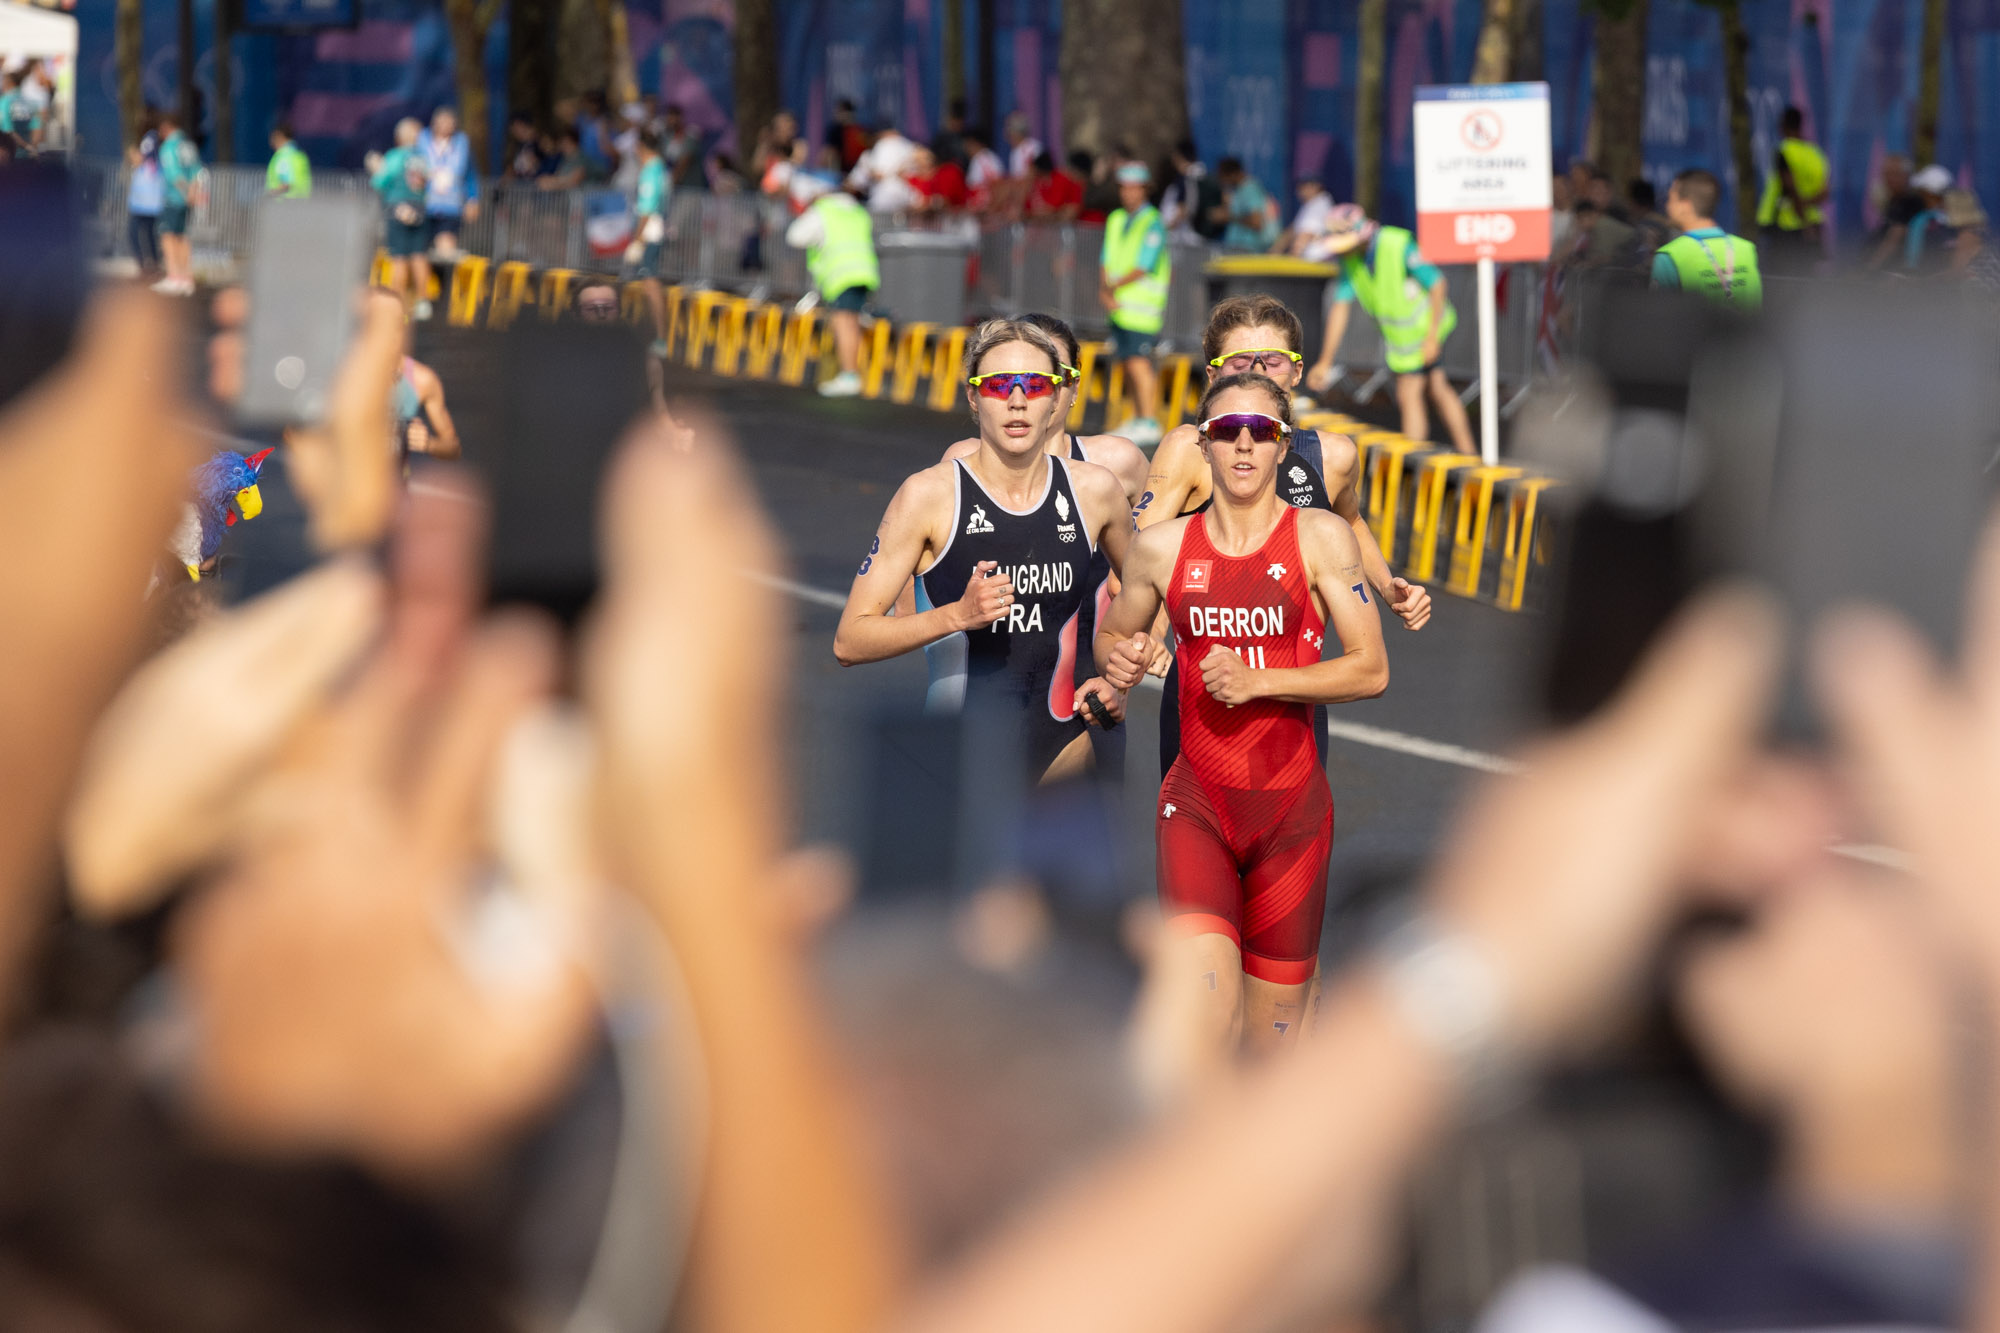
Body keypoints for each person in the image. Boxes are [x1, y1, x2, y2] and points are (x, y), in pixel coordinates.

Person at [1096, 371, 1387, 1067]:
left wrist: (1261, 681)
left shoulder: (1318, 538)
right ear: (1205, 445)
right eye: (1229, 432)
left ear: (1285, 446)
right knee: (1206, 1013)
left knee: (1271, 1052)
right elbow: (1115, 633)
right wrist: (1123, 658)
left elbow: (1370, 667)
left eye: (1263, 431)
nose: (1246, 445)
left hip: (1291, 818)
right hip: (1196, 805)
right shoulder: (1162, 547)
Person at [833, 320, 1134, 784]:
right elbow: (850, 640)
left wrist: (1117, 678)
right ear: (973, 397)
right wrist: (957, 615)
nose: (1017, 401)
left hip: (1062, 752)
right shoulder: (929, 496)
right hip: (957, 759)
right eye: (997, 386)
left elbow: (1142, 589)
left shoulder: (1095, 490)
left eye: (1035, 385)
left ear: (1056, 396)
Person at [1141, 295, 1429, 779]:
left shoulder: (1332, 457)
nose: (1255, 373)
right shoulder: (1191, 451)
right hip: (1202, 700)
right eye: (1238, 363)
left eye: (1271, 361)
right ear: (1212, 375)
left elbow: (1350, 522)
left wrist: (1386, 587)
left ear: (1296, 372)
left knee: (1292, 841)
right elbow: (1137, 556)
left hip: (1296, 696)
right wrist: (1147, 633)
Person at [922, 314, 1151, 781]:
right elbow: (911, 598)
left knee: (1082, 843)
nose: (1025, 395)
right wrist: (947, 638)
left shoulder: (1113, 468)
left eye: (1050, 380)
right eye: (1009, 381)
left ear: (1072, 385)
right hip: (989, 697)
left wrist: (1127, 667)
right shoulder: (959, 465)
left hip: (1088, 694)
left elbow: (1151, 577)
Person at [1306, 203, 1477, 455]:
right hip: (1405, 338)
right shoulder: (1352, 258)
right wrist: (1325, 361)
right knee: (1437, 387)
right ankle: (1468, 454)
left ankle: (1414, 459)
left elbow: (1437, 284)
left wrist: (1431, 338)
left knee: (1410, 392)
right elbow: (1340, 309)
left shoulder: (1397, 244)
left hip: (1426, 329)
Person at [785, 182, 879, 398]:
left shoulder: (824, 210)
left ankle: (849, 375)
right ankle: (849, 373)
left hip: (840, 274)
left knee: (844, 323)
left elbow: (796, 236)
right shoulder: (859, 212)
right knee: (852, 322)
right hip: (864, 272)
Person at [1098, 163, 1169, 447]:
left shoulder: (1152, 221)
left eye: (1134, 188)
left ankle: (1149, 419)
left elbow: (1145, 265)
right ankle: (1138, 417)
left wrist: (1110, 288)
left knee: (1140, 364)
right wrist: (1105, 290)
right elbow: (1106, 257)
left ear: (1144, 190)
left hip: (1141, 308)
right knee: (1128, 362)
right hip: (1118, 306)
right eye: (1124, 188)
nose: (1128, 193)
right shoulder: (1116, 218)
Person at [1651, 168, 1762, 308]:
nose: (1667, 205)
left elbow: (1660, 317)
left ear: (1685, 206)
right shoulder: (1746, 248)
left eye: (1671, 199)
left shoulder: (1668, 256)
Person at [414, 107, 479, 320]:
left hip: (450, 206)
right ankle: (423, 297)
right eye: (442, 122)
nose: (446, 127)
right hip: (425, 205)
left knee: (445, 251)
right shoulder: (421, 141)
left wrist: (472, 199)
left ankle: (443, 295)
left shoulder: (462, 143)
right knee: (420, 252)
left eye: (450, 123)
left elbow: (470, 174)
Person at [1757, 105, 1829, 275]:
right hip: (1812, 220)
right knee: (1806, 275)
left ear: (1782, 126)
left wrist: (1803, 221)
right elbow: (1825, 192)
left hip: (1786, 224)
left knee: (1784, 278)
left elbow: (1790, 188)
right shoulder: (1815, 153)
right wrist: (1808, 210)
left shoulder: (1784, 151)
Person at [368, 118, 429, 314]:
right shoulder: (423, 157)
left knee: (399, 259)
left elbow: (380, 182)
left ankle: (398, 304)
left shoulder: (394, 157)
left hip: (397, 210)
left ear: (399, 137)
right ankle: (423, 303)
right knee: (419, 256)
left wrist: (375, 168)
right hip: (419, 209)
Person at [624, 130, 671, 355]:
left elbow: (647, 208)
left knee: (651, 284)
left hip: (650, 233)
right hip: (653, 230)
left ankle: (660, 338)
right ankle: (653, 336)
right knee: (645, 283)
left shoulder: (652, 170)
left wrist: (637, 240)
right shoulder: (658, 169)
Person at [154, 110, 204, 297]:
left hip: (173, 198)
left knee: (168, 236)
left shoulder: (168, 147)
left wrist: (185, 191)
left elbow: (174, 175)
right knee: (183, 237)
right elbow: (197, 170)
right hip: (188, 199)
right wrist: (193, 192)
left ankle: (174, 277)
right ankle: (186, 279)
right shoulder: (188, 145)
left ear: (166, 127)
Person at [1864, 154, 1924, 270]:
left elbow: (1894, 239)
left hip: (1892, 271)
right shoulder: (1894, 200)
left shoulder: (1910, 201)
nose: (1889, 179)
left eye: (1895, 174)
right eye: (1886, 174)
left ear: (1906, 176)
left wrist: (1869, 269)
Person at [1899, 164, 1958, 273]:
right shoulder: (1958, 219)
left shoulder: (1921, 220)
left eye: (1920, 190)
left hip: (1924, 281)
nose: (1918, 193)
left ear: (1927, 193)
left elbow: (1913, 261)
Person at [1213, 157, 1280, 252]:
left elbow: (1256, 222)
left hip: (1248, 251)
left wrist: (1228, 217)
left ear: (1233, 174)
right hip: (1238, 249)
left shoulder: (1249, 190)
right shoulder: (1238, 190)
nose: (1222, 181)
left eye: (1223, 177)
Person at [125, 121, 165, 279]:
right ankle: (150, 266)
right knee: (147, 234)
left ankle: (148, 266)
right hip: (145, 202)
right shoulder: (152, 140)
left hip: (147, 203)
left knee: (137, 233)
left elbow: (144, 157)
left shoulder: (150, 138)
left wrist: (134, 155)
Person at [1161, 139, 1220, 240]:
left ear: (1179, 156)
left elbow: (1185, 208)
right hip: (1202, 237)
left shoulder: (1188, 179)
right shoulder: (1206, 177)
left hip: (1187, 237)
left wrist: (1164, 229)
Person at [1277, 178, 1333, 256]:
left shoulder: (1319, 204)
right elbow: (1291, 231)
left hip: (1317, 261)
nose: (1299, 191)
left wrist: (1293, 258)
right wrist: (1275, 250)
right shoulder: (1309, 204)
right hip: (1311, 261)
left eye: (1302, 186)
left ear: (1315, 186)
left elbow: (1305, 236)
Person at [1022, 150, 1083, 222]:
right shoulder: (1036, 183)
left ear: (1039, 170)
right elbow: (1026, 210)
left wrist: (1036, 214)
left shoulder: (1060, 179)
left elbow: (1054, 207)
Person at [662, 103, 706, 193]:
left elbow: (684, 162)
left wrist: (669, 182)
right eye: (669, 118)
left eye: (674, 118)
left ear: (680, 118)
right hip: (675, 190)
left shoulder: (690, 138)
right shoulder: (667, 138)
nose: (671, 121)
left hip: (691, 189)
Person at [265, 123, 312, 198]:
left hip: (284, 204)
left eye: (273, 137)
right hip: (302, 203)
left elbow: (286, 184)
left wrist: (269, 194)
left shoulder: (283, 156)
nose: (271, 142)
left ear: (279, 136)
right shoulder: (299, 155)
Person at [1004, 110, 1043, 181]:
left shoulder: (1035, 147)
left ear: (1016, 134)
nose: (1007, 137)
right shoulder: (1015, 152)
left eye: (1010, 134)